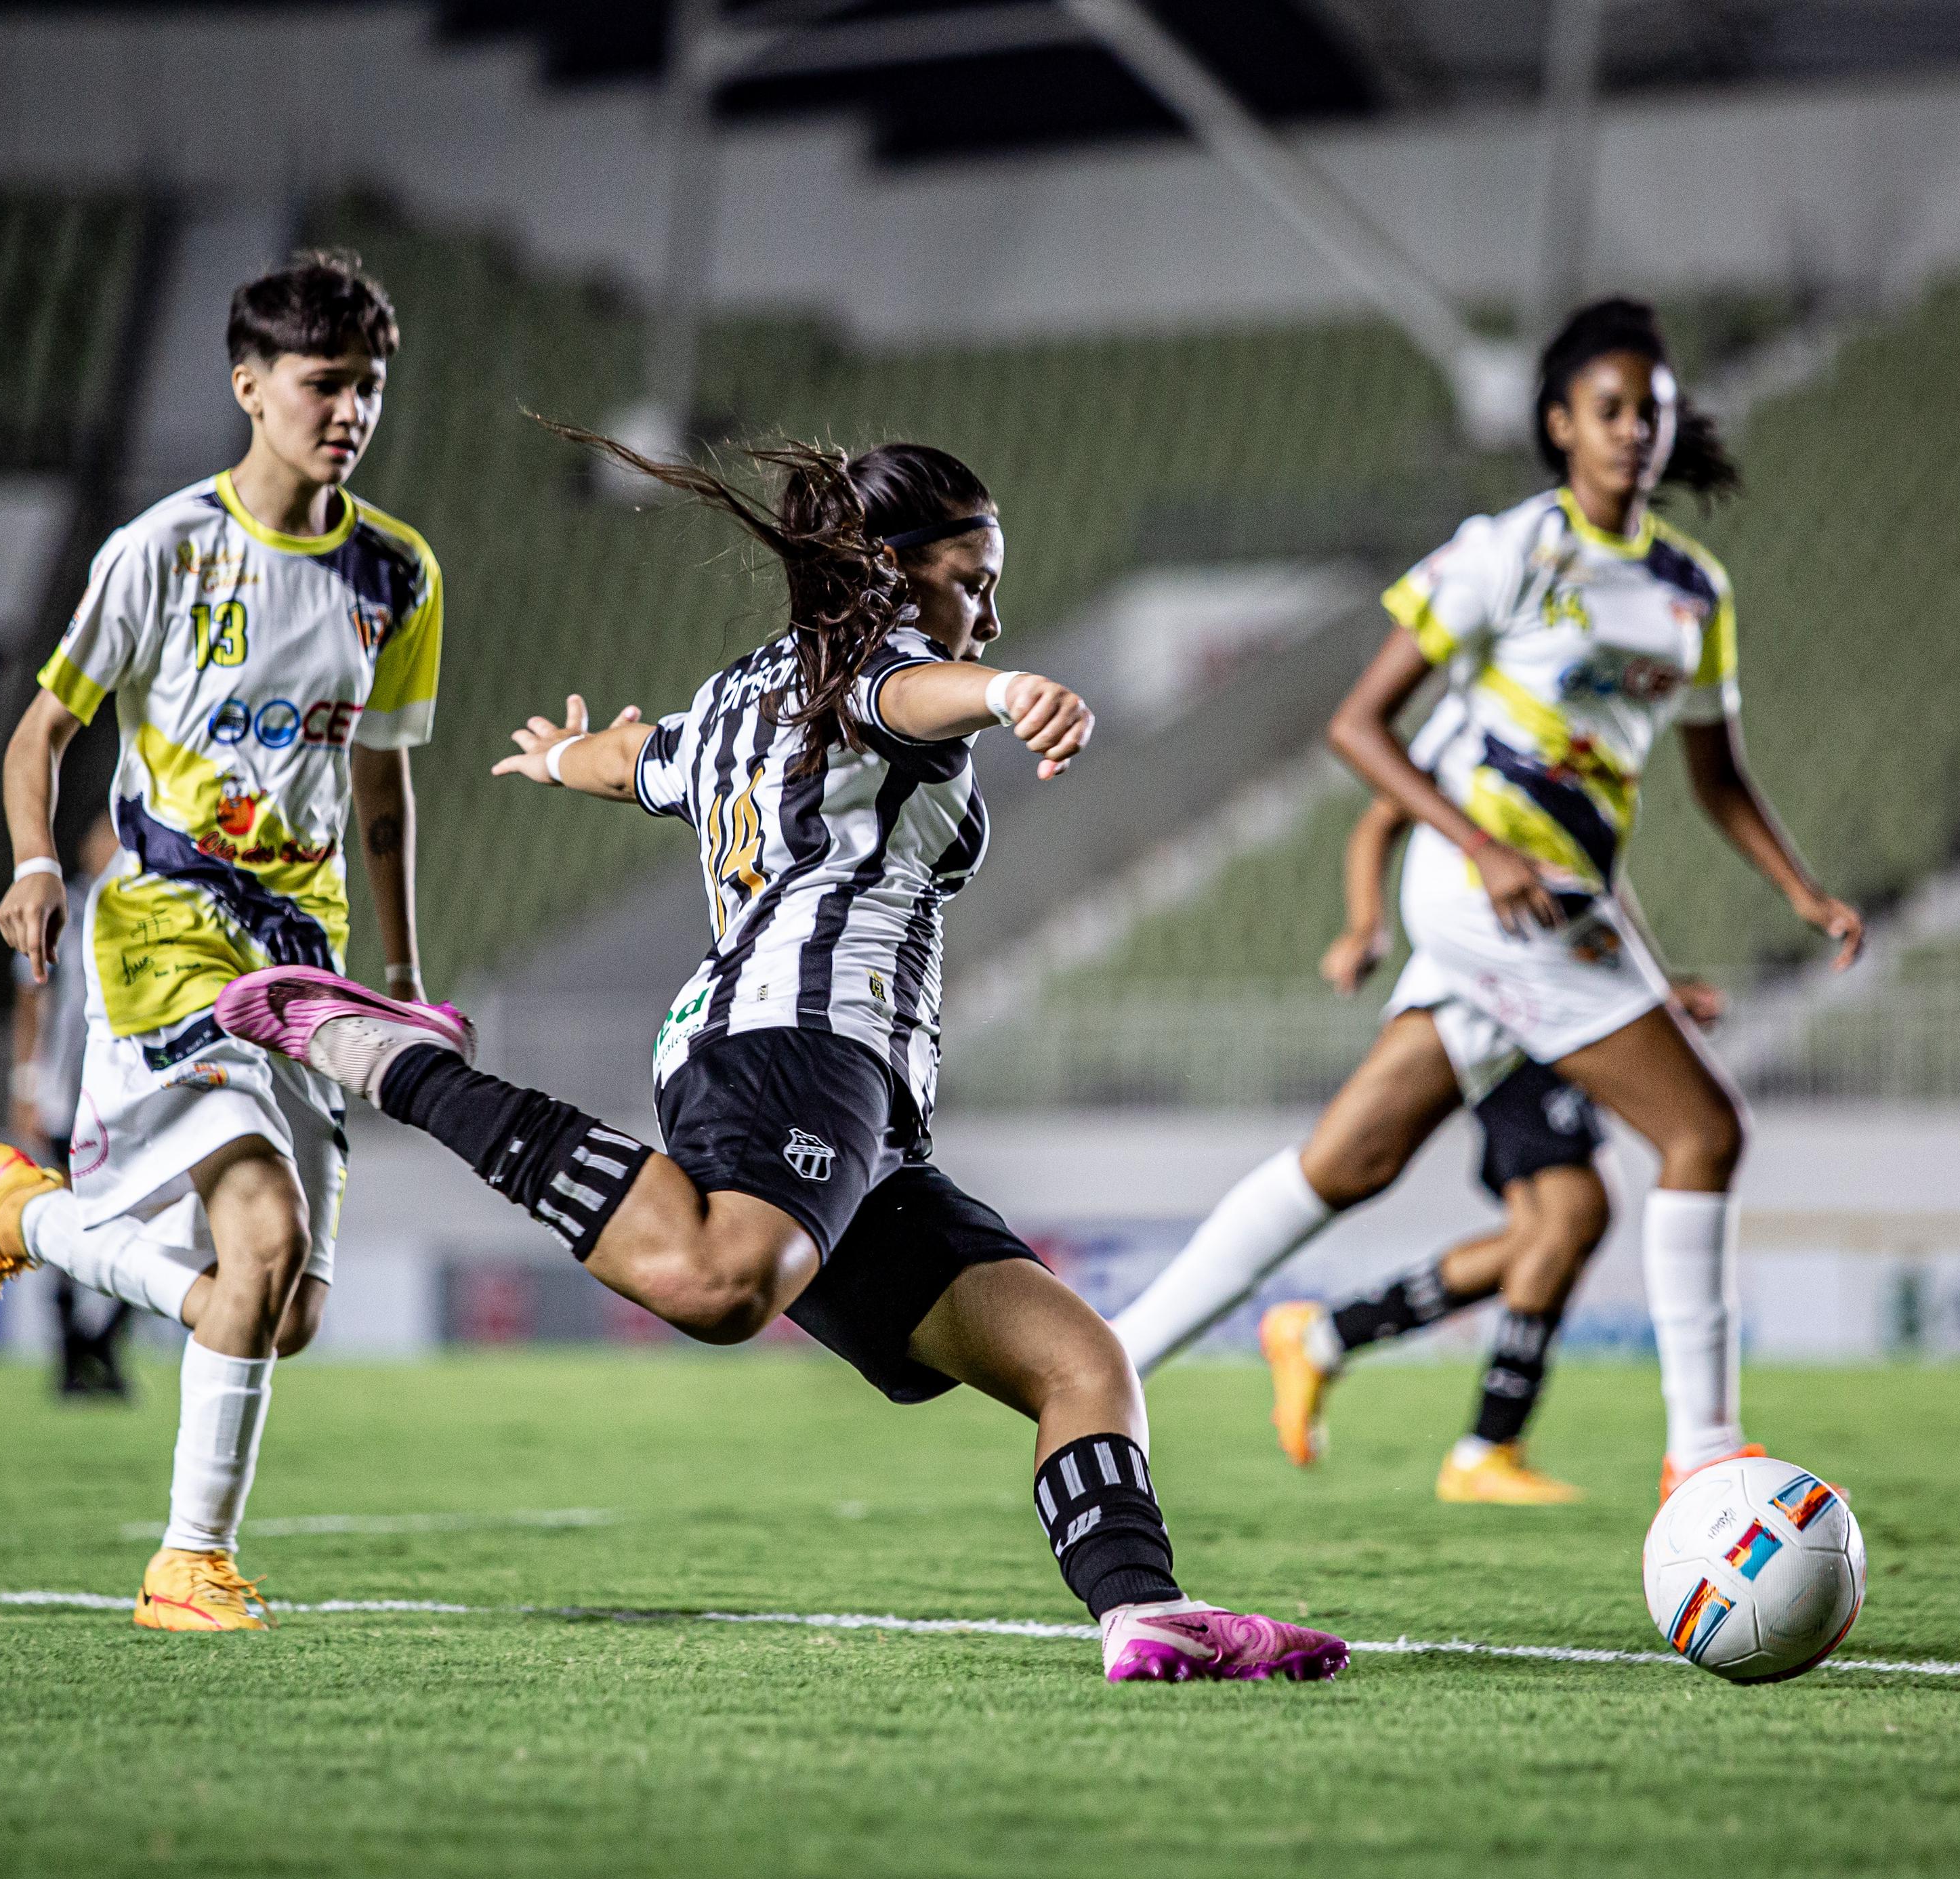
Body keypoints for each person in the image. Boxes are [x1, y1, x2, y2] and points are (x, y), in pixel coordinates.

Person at [211, 426, 1349, 1683]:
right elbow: (899, 695)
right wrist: (1003, 689)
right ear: (889, 573)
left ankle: (1146, 1611)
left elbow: (637, 762)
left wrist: (555, 758)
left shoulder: (732, 698)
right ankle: (383, 1056)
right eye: (971, 577)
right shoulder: (874, 667)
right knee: (719, 1279)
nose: (988, 606)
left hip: (842, 1099)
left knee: (1080, 1361)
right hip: (798, 1040)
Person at [1111, 296, 1862, 1504]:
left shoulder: (1691, 592)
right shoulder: (1507, 549)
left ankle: (1110, 1362)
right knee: (1704, 1132)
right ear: (1560, 423)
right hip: (1479, 886)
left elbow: (1714, 778)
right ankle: (1707, 1453)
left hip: (1557, 904)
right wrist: (1483, 848)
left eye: (1652, 409)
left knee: (1346, 1160)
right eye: (1610, 409)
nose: (1634, 430)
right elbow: (1358, 728)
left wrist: (1799, 891)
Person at [0, 250, 445, 1631]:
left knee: (286, 1308)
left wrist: (398, 973)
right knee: (257, 1236)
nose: (350, 412)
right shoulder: (163, 551)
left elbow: (380, 786)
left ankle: (19, 1215)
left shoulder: (397, 573)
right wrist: (36, 861)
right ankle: (185, 1565)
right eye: (326, 385)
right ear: (249, 384)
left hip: (309, 948)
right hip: (168, 925)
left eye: (368, 388)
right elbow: (46, 734)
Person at [1251, 793, 1724, 1503]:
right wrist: (1364, 924)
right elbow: (1384, 813)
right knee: (1571, 1216)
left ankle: (1324, 1338)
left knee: (1549, 1231)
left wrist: (1646, 990)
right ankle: (1482, 1447)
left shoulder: (1577, 754)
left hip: (1564, 989)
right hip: (1506, 992)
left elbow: (1594, 887)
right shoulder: (1495, 726)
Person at [8, 809, 131, 1397]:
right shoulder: (65, 911)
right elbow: (33, 1003)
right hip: (67, 1099)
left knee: (145, 1227)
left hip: (129, 1106)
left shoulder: (144, 912)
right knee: (66, 1225)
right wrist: (26, 1086)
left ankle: (101, 1345)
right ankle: (70, 1360)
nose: (106, 849)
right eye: (99, 838)